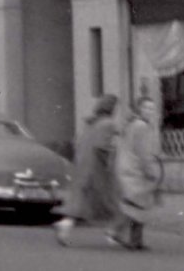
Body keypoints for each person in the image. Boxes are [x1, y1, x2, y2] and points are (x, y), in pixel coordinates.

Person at [54, 94, 121, 247]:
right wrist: (112, 158)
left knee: (82, 204)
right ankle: (113, 234)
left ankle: (65, 225)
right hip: (97, 170)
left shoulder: (90, 123)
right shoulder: (108, 124)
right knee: (112, 202)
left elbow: (77, 143)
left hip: (82, 168)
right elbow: (103, 148)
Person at [114, 95, 164, 250]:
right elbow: (143, 153)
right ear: (139, 109)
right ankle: (117, 231)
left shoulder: (133, 124)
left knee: (138, 204)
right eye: (146, 108)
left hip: (127, 167)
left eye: (152, 108)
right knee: (136, 205)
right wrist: (149, 171)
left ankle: (135, 240)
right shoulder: (141, 126)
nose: (149, 111)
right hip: (136, 169)